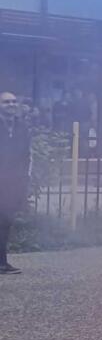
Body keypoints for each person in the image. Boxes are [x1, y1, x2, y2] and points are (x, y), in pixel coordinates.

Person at [0, 91, 32, 273]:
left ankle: (2, 262)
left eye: (13, 102)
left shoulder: (22, 127)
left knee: (5, 222)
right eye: (6, 102)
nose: (11, 105)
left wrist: (23, 179)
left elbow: (26, 155)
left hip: (12, 184)